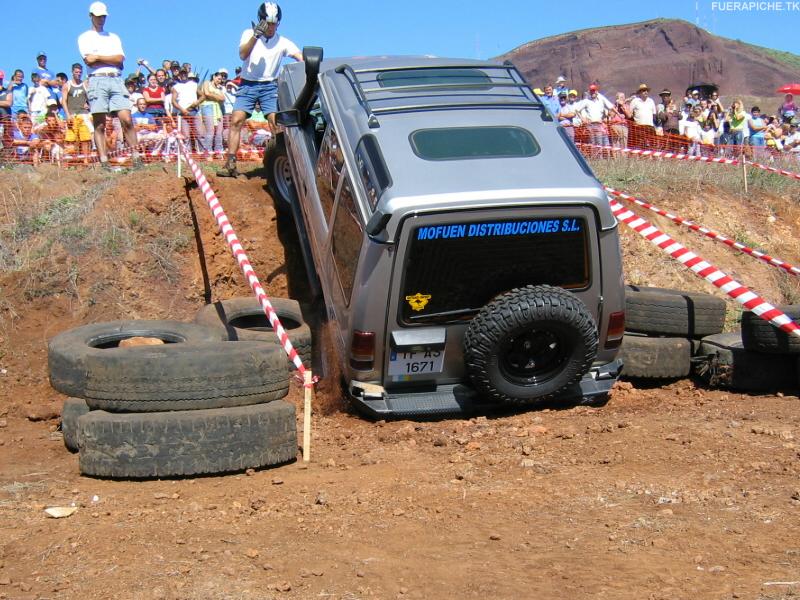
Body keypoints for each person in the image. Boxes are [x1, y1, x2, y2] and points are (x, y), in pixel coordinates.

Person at [220, 1, 302, 177]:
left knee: (275, 123)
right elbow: (242, 54)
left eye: (274, 23)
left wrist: (309, 64)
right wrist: (255, 36)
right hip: (248, 83)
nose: (271, 27)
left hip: (270, 85)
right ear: (260, 21)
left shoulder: (282, 41)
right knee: (236, 120)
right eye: (268, 23)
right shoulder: (249, 34)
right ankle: (231, 163)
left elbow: (299, 56)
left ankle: (284, 163)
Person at [77, 1, 140, 169]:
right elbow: (89, 60)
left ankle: (136, 157)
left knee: (126, 118)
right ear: (91, 16)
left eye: (103, 16)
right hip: (97, 79)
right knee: (99, 123)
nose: (101, 19)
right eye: (98, 16)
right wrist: (108, 58)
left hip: (116, 79)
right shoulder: (84, 37)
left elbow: (120, 60)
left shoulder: (113, 37)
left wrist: (99, 57)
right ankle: (104, 161)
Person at [171, 69, 202, 152]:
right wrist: (182, 109)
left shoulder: (194, 84)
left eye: (185, 73)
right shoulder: (176, 87)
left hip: (194, 111)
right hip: (182, 113)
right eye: (182, 74)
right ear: (179, 75)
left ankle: (204, 153)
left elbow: (202, 96)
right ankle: (187, 154)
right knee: (185, 136)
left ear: (187, 74)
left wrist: (197, 102)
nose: (183, 75)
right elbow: (173, 101)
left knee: (200, 133)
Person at [574, 84, 614, 149]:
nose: (593, 92)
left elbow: (611, 107)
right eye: (591, 91)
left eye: (594, 91)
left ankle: (600, 158)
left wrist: (618, 114)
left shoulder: (601, 100)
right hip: (590, 125)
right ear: (590, 92)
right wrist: (582, 119)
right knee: (592, 143)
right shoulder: (586, 101)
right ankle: (594, 158)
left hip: (599, 124)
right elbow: (576, 110)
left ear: (596, 91)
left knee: (599, 143)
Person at [199, 70, 226, 156]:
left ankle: (219, 152)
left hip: (218, 109)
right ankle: (208, 152)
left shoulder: (219, 88)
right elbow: (206, 93)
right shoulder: (207, 83)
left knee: (219, 131)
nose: (219, 81)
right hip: (207, 107)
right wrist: (216, 97)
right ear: (214, 76)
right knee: (210, 131)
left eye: (221, 79)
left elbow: (223, 99)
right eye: (218, 78)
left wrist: (212, 95)